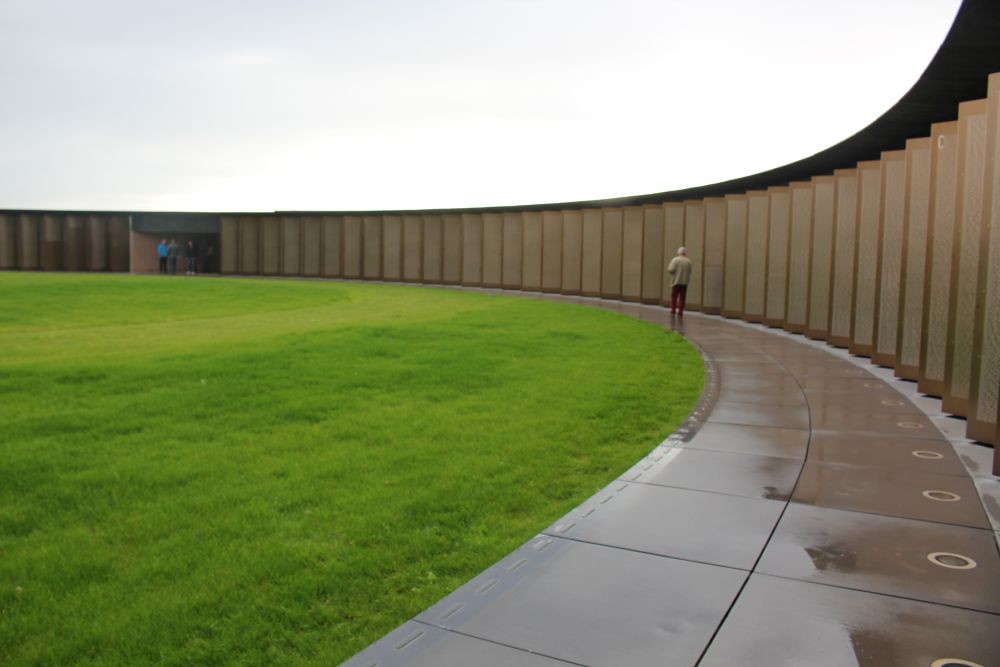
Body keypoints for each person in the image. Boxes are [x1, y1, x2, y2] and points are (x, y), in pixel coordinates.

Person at [667, 246, 692, 317]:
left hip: (676, 281)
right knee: (682, 297)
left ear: (679, 252)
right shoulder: (688, 261)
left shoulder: (675, 260)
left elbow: (670, 269)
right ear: (685, 253)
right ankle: (680, 311)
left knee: (674, 296)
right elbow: (690, 271)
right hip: (684, 282)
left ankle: (673, 310)